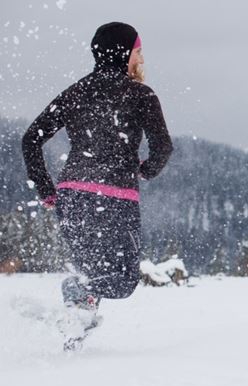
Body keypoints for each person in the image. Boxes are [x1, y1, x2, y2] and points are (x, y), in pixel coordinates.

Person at [22, 22, 173, 349]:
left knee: (92, 272)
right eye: (138, 51)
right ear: (126, 54)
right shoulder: (140, 94)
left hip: (72, 197)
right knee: (121, 281)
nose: (141, 58)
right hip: (114, 198)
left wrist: (48, 191)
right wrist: (145, 170)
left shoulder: (75, 91)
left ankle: (72, 340)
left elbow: (30, 140)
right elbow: (163, 147)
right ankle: (77, 297)